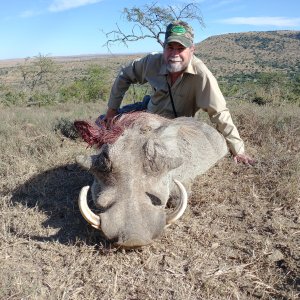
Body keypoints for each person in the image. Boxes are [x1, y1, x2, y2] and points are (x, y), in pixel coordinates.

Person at [100, 20, 255, 165]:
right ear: (164, 48)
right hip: (148, 110)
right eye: (170, 48)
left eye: (181, 48)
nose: (174, 54)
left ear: (192, 50)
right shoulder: (151, 62)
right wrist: (111, 111)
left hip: (174, 126)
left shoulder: (201, 75)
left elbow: (220, 112)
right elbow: (124, 75)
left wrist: (238, 150)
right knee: (102, 123)